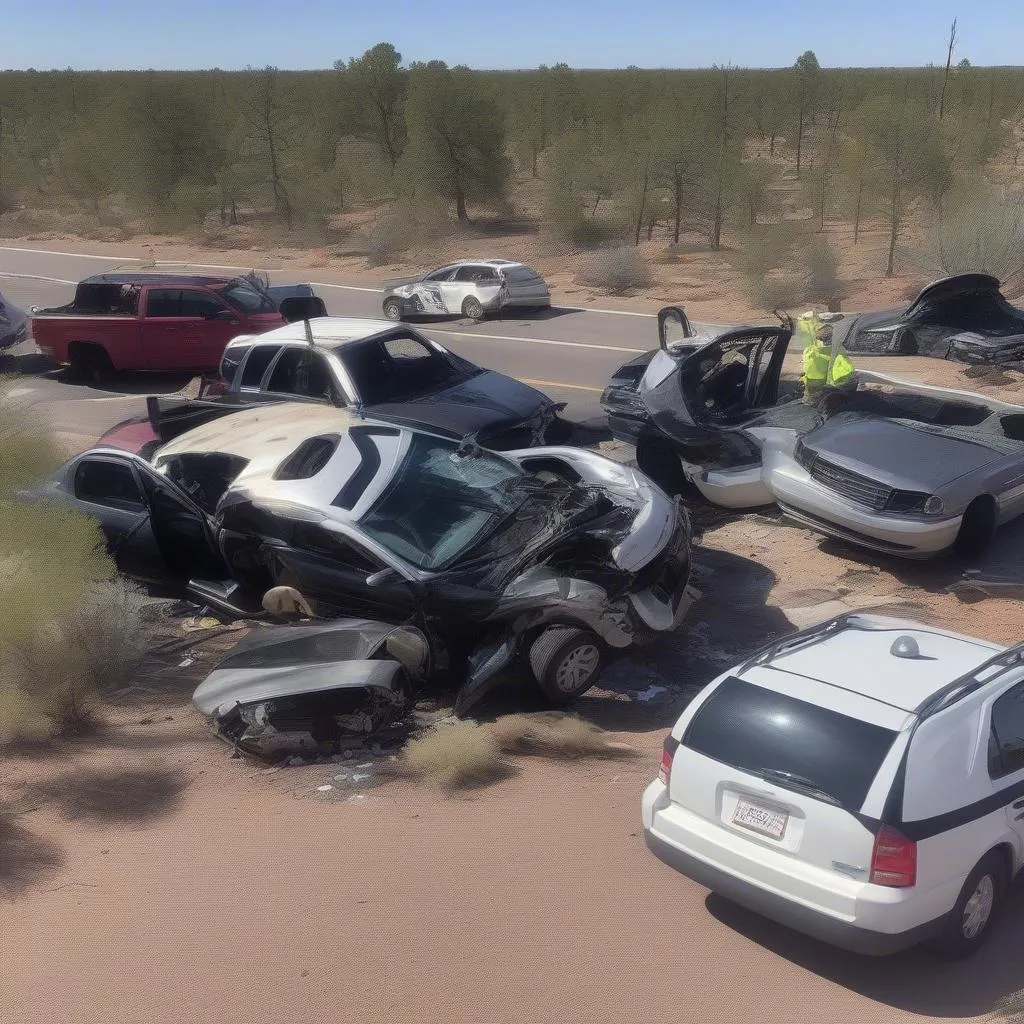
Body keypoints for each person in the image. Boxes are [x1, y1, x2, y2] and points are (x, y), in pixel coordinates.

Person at [799, 310, 854, 403]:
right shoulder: (836, 352)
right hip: (824, 400)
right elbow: (847, 377)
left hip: (819, 400)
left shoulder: (811, 352)